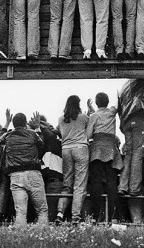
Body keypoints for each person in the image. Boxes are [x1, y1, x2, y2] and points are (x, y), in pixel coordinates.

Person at [0, 112, 49, 226]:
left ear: (13, 123)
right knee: (42, 210)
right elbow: (42, 144)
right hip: (34, 174)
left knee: (20, 212)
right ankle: (43, 236)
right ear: (26, 123)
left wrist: (6, 123)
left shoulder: (8, 136)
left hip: (15, 175)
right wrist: (37, 127)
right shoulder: (32, 134)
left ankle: (20, 238)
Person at [116, 78, 144, 223]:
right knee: (138, 154)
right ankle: (134, 187)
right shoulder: (138, 80)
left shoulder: (124, 86)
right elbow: (142, 76)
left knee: (129, 154)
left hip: (126, 121)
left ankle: (123, 185)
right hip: (138, 117)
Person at [86, 92, 122, 223]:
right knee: (112, 183)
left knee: (96, 183)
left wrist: (90, 112)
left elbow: (88, 134)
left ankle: (94, 217)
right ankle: (115, 217)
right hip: (111, 149)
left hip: (97, 150)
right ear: (107, 102)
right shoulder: (112, 111)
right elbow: (117, 105)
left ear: (96, 103)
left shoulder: (94, 116)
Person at [56, 95, 90, 224]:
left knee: (67, 184)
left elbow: (58, 131)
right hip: (80, 148)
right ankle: (75, 216)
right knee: (79, 184)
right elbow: (89, 128)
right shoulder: (83, 117)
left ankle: (60, 213)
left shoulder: (60, 119)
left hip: (65, 149)